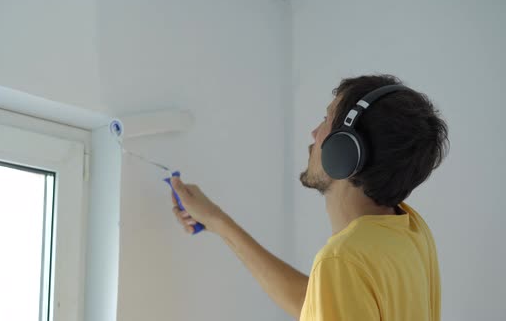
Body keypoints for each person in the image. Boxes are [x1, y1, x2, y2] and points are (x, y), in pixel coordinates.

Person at [170, 74, 449, 320]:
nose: (314, 133)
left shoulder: (342, 261)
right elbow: (314, 302)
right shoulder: (410, 230)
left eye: (327, 119)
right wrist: (218, 222)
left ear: (345, 149)